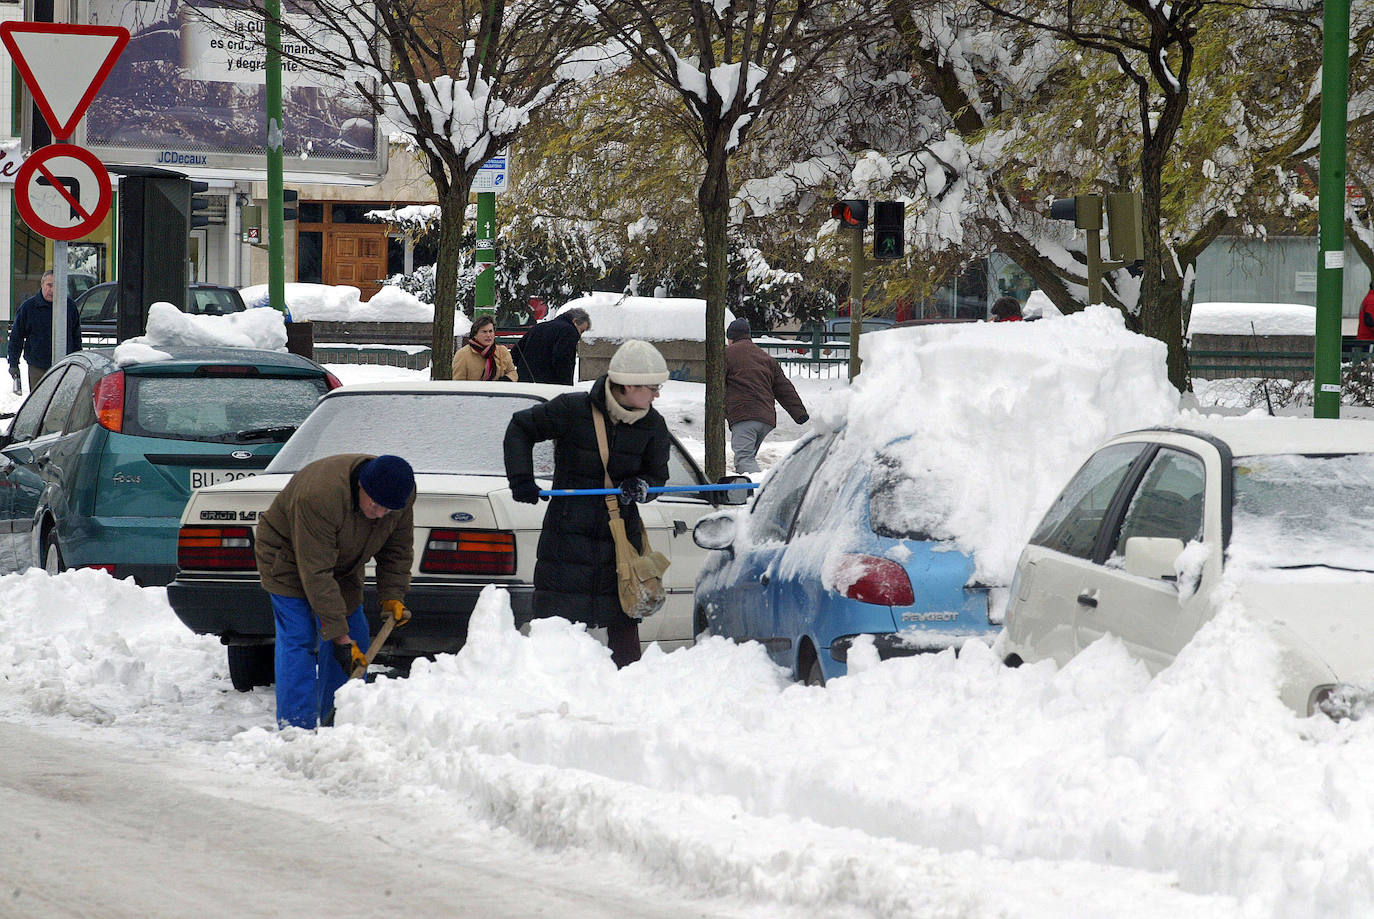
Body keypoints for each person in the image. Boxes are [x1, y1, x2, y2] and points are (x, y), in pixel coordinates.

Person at [503, 339, 670, 668]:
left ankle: (629, 695)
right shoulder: (573, 409)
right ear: (628, 386)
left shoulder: (654, 425)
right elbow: (520, 428)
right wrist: (521, 479)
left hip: (621, 541)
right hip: (566, 539)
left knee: (625, 623)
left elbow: (658, 477)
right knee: (557, 626)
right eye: (652, 388)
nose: (657, 395)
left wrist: (644, 488)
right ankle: (555, 696)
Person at [254, 453, 416, 729]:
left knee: (356, 637)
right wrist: (339, 637)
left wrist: (392, 595)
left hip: (342, 564)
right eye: (375, 505)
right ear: (361, 487)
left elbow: (397, 550)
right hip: (288, 559)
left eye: (388, 510)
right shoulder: (320, 496)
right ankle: (296, 728)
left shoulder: (398, 495)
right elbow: (315, 573)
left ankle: (339, 720)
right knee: (300, 638)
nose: (380, 514)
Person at [724, 318, 809, 475]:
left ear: (730, 338)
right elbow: (784, 388)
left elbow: (717, 384)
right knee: (749, 458)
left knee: (744, 460)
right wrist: (800, 414)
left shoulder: (727, 355)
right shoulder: (765, 357)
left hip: (744, 415)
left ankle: (758, 492)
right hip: (766, 419)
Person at [7, 270, 81, 394]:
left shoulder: (69, 307)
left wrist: (78, 361)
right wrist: (13, 364)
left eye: (56, 286)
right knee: (38, 403)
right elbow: (16, 337)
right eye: (49, 285)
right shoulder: (29, 308)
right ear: (42, 284)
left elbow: (76, 337)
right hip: (38, 366)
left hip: (65, 366)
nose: (52, 290)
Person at [510, 307, 590, 385]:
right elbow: (562, 359)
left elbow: (515, 353)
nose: (580, 335)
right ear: (575, 321)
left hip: (525, 383)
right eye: (581, 331)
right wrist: (566, 385)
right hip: (550, 386)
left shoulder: (538, 327)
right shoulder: (569, 331)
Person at [452, 314, 518, 381]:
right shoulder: (463, 355)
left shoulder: (502, 351)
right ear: (475, 334)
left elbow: (512, 372)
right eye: (484, 332)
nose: (488, 335)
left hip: (498, 390)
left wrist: (505, 380)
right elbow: (458, 383)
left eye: (490, 331)